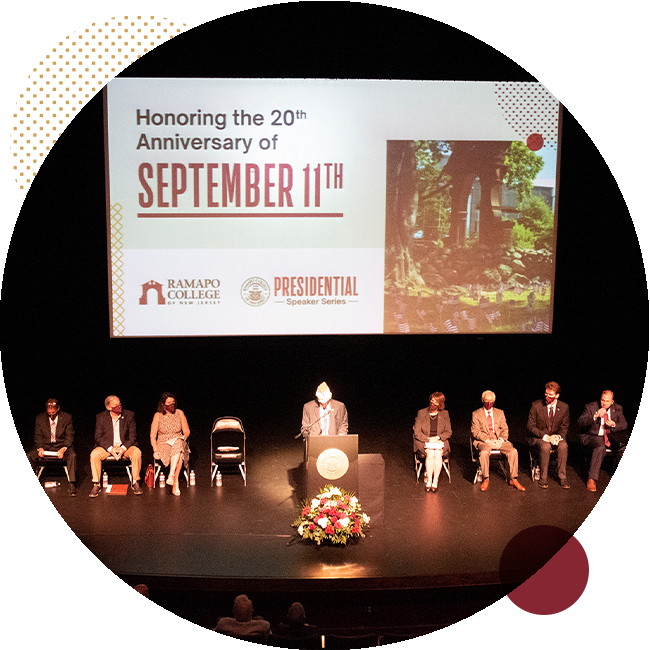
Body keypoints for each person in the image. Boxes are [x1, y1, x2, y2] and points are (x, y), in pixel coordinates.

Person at [578, 390, 632, 491]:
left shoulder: (618, 408)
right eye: (602, 400)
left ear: (612, 402)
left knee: (626, 446)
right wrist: (595, 416)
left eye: (607, 401)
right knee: (600, 446)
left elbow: (624, 424)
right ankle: (591, 479)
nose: (604, 403)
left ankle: (624, 477)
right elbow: (581, 422)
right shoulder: (590, 407)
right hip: (592, 435)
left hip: (610, 436)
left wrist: (614, 424)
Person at [471, 390, 525, 492]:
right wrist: (487, 440)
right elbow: (475, 432)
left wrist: (500, 440)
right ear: (482, 400)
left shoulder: (500, 413)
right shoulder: (476, 414)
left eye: (491, 401)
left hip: (498, 440)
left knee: (513, 451)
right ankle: (485, 478)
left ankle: (514, 479)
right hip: (484, 441)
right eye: (487, 401)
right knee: (484, 453)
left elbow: (505, 429)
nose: (489, 404)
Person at [89, 395, 143, 497]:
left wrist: (123, 448)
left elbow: (132, 437)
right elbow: (98, 437)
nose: (119, 406)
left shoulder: (129, 415)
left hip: (125, 446)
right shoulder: (101, 417)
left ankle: (135, 482)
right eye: (116, 405)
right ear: (109, 407)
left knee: (137, 453)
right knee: (94, 454)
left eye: (119, 403)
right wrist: (111, 449)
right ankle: (96, 484)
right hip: (108, 447)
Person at [23, 398, 77, 497]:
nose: (51, 415)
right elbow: (38, 436)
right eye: (49, 413)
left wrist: (64, 448)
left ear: (58, 409)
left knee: (72, 455)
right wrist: (40, 448)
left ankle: (72, 483)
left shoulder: (66, 418)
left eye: (53, 412)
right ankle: (31, 484)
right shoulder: (40, 418)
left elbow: (69, 436)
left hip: (60, 446)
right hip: (46, 447)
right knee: (28, 456)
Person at [526, 381, 570, 489]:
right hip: (539, 437)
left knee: (563, 445)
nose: (547, 397)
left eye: (550, 395)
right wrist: (546, 437)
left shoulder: (564, 407)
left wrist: (558, 437)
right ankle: (543, 477)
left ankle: (562, 477)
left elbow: (565, 427)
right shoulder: (536, 405)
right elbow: (530, 427)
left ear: (557, 395)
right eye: (546, 394)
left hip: (555, 437)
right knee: (545, 446)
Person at [150, 392, 190, 496]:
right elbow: (152, 436)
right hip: (163, 443)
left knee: (179, 444)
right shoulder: (158, 416)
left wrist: (183, 437)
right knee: (180, 453)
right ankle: (175, 482)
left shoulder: (179, 413)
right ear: (163, 405)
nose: (172, 405)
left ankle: (172, 476)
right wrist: (155, 450)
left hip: (178, 440)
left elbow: (186, 431)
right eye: (169, 403)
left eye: (173, 403)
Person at [413, 392, 452, 493]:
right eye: (431, 401)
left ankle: (435, 480)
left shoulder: (444, 414)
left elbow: (448, 432)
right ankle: (429, 480)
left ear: (440, 404)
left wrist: (438, 437)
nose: (432, 404)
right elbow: (417, 432)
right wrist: (428, 439)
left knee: (438, 453)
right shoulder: (421, 413)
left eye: (435, 402)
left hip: (440, 441)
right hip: (424, 440)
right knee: (430, 453)